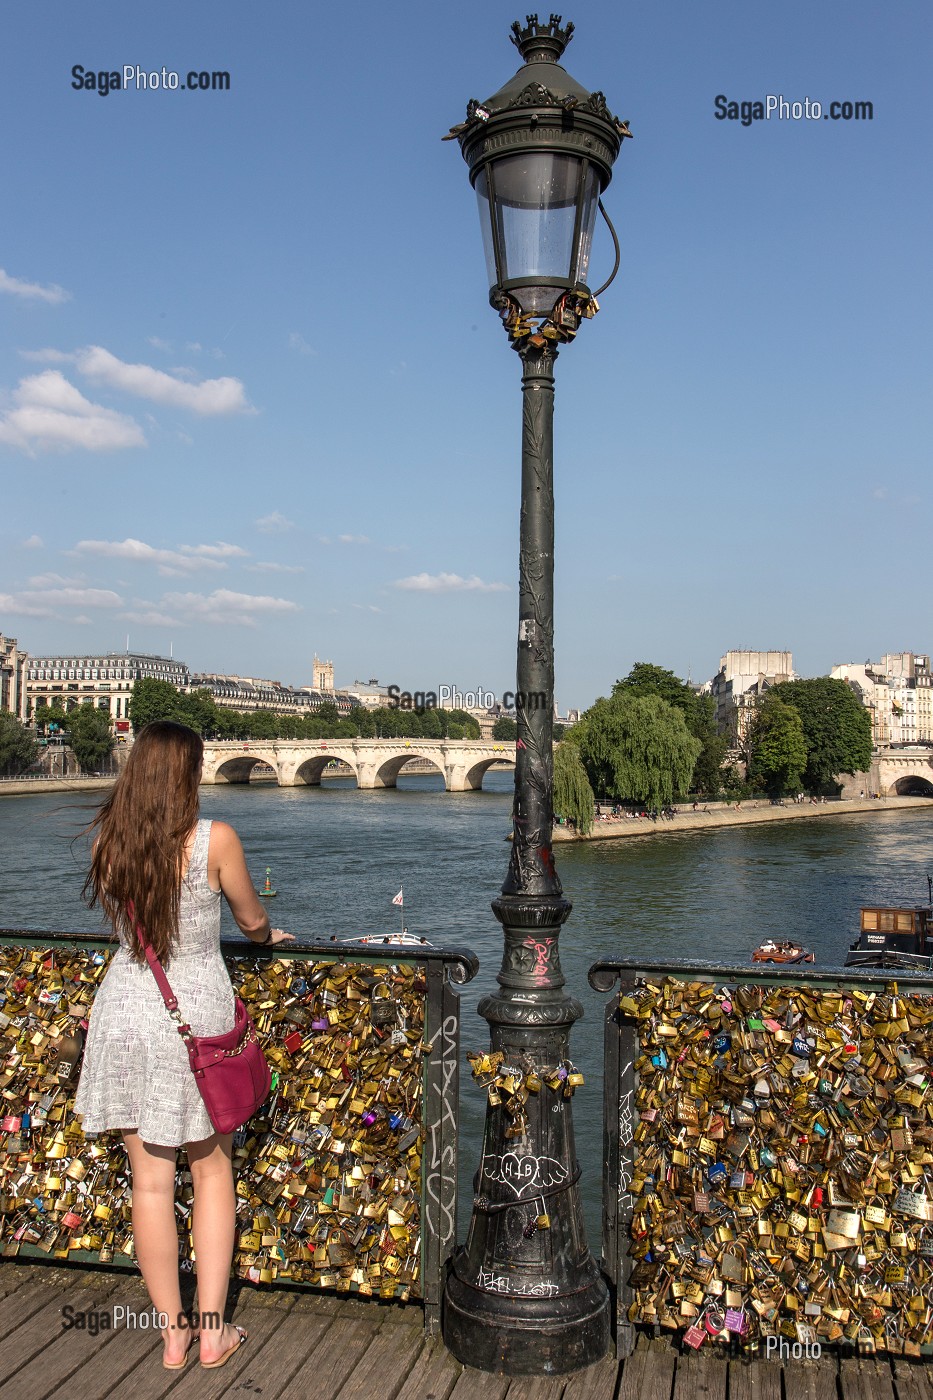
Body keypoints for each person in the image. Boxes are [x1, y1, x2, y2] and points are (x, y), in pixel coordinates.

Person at [73, 721, 294, 1370]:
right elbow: (252, 921)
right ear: (188, 773)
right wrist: (266, 937)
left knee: (149, 1183)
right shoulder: (213, 840)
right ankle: (212, 1331)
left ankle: (169, 1334)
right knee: (210, 1171)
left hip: (122, 1010)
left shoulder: (107, 840)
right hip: (192, 1017)